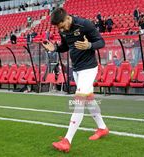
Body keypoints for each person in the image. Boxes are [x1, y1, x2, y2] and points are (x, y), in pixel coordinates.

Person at [42, 8, 109, 153]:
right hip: (77, 69)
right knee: (89, 100)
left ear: (67, 18)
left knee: (79, 101)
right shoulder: (62, 30)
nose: (62, 29)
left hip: (89, 68)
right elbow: (66, 46)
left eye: (62, 26)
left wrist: (89, 45)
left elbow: (101, 42)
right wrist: (55, 48)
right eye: (59, 28)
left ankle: (67, 140)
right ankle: (102, 127)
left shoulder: (84, 24)